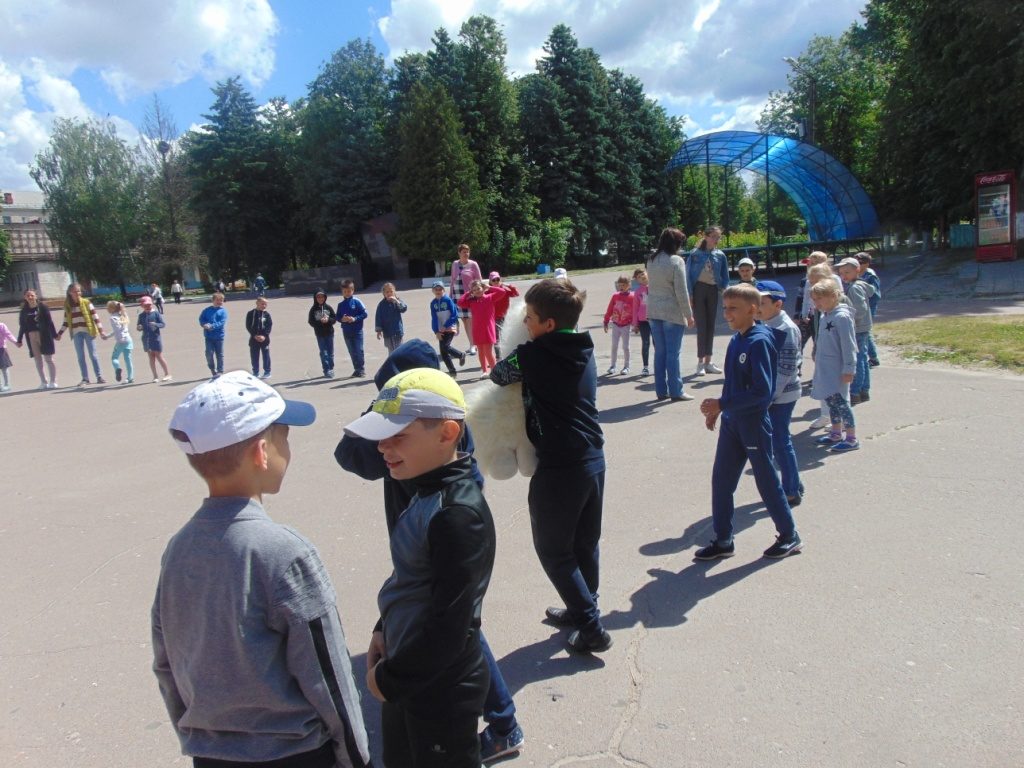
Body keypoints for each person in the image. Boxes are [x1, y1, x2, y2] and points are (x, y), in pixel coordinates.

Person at [155, 371, 371, 768]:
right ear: (261, 452)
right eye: (283, 436)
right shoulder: (284, 552)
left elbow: (167, 661)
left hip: (211, 753)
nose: (288, 447)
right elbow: (328, 675)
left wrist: (198, 737)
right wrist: (357, 759)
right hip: (296, 754)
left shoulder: (178, 549)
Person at [334, 340, 524, 765]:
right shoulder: (425, 488)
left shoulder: (456, 515)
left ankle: (503, 723)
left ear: (447, 434)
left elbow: (452, 624)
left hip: (440, 688)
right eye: (380, 436)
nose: (382, 448)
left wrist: (391, 679)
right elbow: (410, 578)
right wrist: (385, 627)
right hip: (411, 670)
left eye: (396, 436)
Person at [489, 278, 612, 654]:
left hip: (559, 467)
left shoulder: (533, 355)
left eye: (529, 317)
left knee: (554, 551)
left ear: (549, 325)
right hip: (593, 458)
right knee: (584, 543)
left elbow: (498, 374)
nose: (524, 323)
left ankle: (591, 627)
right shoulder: (585, 348)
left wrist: (520, 350)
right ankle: (584, 607)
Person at [696, 284, 802, 560]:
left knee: (766, 481)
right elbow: (733, 382)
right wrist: (719, 410)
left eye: (733, 309)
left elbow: (762, 392)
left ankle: (789, 536)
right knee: (721, 482)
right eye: (725, 308)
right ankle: (723, 540)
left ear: (752, 310)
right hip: (732, 423)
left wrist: (722, 404)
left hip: (753, 424)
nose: (727, 314)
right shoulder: (736, 339)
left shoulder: (759, 341)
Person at [756, 281, 804, 507]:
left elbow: (786, 369)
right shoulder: (764, 324)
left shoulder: (786, 329)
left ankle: (791, 491)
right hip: (770, 395)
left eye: (762, 303)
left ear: (778, 304)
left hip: (782, 395)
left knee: (780, 442)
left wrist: (768, 397)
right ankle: (795, 483)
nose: (757, 307)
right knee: (777, 441)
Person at [645, 227, 695, 401]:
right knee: (673, 353)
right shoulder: (676, 261)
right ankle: (676, 390)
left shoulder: (651, 260)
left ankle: (661, 391)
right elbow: (681, 291)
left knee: (660, 352)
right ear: (676, 244)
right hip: (671, 312)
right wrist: (689, 315)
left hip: (653, 310)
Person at [809, 279, 859, 452]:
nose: (816, 303)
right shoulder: (826, 315)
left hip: (838, 369)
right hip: (826, 368)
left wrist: (849, 368)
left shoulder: (842, 317)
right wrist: (816, 351)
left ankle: (851, 438)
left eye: (819, 299)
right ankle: (835, 433)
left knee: (841, 403)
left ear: (832, 296)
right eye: (814, 299)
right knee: (831, 401)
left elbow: (849, 345)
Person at [686, 226, 730, 377]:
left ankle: (708, 362)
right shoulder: (695, 254)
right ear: (706, 237)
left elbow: (725, 276)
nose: (716, 239)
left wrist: (725, 291)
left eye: (718, 237)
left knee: (711, 325)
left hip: (713, 290)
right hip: (699, 289)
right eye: (713, 236)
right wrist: (690, 295)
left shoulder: (720, 255)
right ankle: (700, 363)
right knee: (702, 326)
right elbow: (687, 275)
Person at [836, 257, 876, 405]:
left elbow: (860, 309)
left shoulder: (855, 288)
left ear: (857, 270)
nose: (844, 276)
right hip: (862, 326)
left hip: (858, 327)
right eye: (841, 273)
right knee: (862, 359)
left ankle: (855, 391)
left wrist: (850, 318)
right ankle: (863, 390)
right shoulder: (855, 286)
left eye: (847, 272)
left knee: (858, 360)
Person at [57, 283, 107, 386]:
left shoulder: (86, 302)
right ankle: (85, 378)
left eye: (79, 291)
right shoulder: (67, 305)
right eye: (75, 291)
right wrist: (59, 333)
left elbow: (96, 317)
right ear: (70, 293)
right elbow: (66, 322)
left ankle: (99, 376)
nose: (77, 293)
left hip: (88, 331)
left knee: (93, 355)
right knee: (80, 357)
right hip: (76, 333)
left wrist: (101, 331)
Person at [15, 288, 59, 389]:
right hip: (31, 335)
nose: (30, 297)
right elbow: (22, 326)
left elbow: (49, 322)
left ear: (36, 296)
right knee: (38, 360)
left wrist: (55, 335)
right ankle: (43, 382)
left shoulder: (43, 307)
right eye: (28, 296)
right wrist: (19, 339)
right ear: (25, 297)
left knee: (49, 358)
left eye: (32, 295)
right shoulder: (24, 311)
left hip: (44, 335)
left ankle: (53, 381)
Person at [457, 279, 502, 374]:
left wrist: (489, 287)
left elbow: (502, 292)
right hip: (477, 329)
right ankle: (484, 371)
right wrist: (468, 293)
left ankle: (495, 372)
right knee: (481, 352)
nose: (477, 291)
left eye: (478, 288)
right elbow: (460, 303)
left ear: (483, 288)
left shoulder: (490, 297)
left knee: (488, 352)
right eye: (474, 290)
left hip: (488, 329)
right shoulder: (472, 301)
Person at [450, 244, 483, 354]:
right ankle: (472, 344)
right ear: (459, 253)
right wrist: (450, 296)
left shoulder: (473, 264)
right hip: (457, 296)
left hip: (469, 297)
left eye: (467, 252)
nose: (466, 254)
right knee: (464, 320)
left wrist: (479, 294)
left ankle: (474, 345)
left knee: (470, 320)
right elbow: (452, 280)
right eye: (464, 252)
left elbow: (479, 280)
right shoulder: (455, 264)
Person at [430, 280, 467, 376]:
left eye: (440, 289)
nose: (438, 291)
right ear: (433, 291)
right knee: (443, 353)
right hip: (440, 329)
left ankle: (460, 355)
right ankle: (452, 372)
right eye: (436, 289)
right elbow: (434, 318)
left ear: (444, 290)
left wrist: (446, 325)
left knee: (446, 347)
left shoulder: (448, 300)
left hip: (450, 327)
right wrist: (436, 331)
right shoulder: (433, 303)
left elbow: (454, 315)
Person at [602, 275, 634, 375]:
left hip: (626, 325)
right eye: (619, 285)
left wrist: (635, 324)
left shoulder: (632, 297)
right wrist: (606, 321)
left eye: (623, 285)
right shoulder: (615, 296)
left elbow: (635, 311)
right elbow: (610, 309)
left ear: (629, 285)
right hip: (616, 325)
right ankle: (613, 366)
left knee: (626, 347)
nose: (621, 287)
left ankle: (626, 366)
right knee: (614, 346)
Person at [137, 296, 172, 382]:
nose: (147, 306)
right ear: (142, 306)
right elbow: (139, 327)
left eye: (149, 305)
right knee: (151, 358)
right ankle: (155, 376)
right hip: (146, 339)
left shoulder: (156, 313)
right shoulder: (141, 315)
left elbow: (163, 324)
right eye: (145, 305)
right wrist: (139, 327)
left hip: (156, 338)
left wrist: (156, 324)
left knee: (159, 356)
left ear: (151, 304)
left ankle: (167, 374)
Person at [337, 279, 367, 377]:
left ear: (353, 290)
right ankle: (356, 369)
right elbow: (338, 317)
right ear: (342, 292)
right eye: (345, 291)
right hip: (346, 332)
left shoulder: (357, 301)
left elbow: (365, 314)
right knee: (352, 351)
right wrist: (342, 319)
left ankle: (361, 369)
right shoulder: (340, 305)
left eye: (349, 291)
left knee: (359, 350)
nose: (347, 293)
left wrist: (354, 319)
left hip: (357, 331)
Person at [856, 252, 882, 367]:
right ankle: (872, 357)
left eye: (860, 262)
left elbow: (876, 294)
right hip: (859, 307)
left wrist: (866, 306)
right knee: (864, 332)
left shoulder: (870, 276)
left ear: (867, 263)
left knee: (865, 331)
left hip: (868, 307)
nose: (858, 264)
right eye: (856, 262)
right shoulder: (855, 273)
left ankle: (873, 357)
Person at [487, 272, 519, 360]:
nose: (496, 281)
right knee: (497, 337)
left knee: (504, 336)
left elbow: (516, 294)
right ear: (490, 281)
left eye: (497, 279)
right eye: (493, 280)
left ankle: (503, 355)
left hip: (504, 317)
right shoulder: (488, 292)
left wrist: (510, 286)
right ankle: (499, 357)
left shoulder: (504, 290)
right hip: (493, 318)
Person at [308, 288, 337, 378]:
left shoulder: (328, 307)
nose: (320, 299)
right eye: (318, 297)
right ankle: (326, 369)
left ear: (325, 297)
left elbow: (334, 319)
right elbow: (311, 321)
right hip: (320, 334)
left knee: (330, 352)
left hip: (329, 333)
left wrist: (328, 320)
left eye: (322, 297)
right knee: (324, 353)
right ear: (315, 298)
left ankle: (331, 368)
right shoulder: (313, 309)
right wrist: (320, 321)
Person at [199, 292, 228, 378]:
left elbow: (221, 322)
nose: (219, 302)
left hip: (219, 337)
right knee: (209, 353)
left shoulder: (223, 311)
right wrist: (204, 324)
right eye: (217, 300)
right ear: (213, 300)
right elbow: (201, 319)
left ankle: (220, 370)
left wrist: (212, 326)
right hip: (208, 337)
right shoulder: (206, 310)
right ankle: (212, 368)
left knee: (219, 354)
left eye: (221, 300)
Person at [106, 300, 135, 384]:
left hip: (121, 341)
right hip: (128, 339)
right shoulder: (123, 315)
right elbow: (122, 328)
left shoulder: (113, 318)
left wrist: (107, 336)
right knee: (128, 359)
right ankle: (130, 377)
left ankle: (117, 368)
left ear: (111, 309)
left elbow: (117, 330)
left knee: (114, 358)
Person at [374, 282, 407, 354]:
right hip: (387, 332)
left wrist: (397, 301)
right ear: (383, 293)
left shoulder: (397, 301)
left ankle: (400, 361)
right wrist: (379, 330)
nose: (389, 293)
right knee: (391, 351)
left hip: (397, 331)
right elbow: (378, 317)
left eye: (391, 291)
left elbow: (403, 309)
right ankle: (392, 360)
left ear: (394, 292)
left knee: (399, 350)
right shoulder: (381, 305)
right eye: (387, 292)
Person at [245, 296, 272, 379]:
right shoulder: (250, 313)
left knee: (266, 356)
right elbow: (248, 325)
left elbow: (269, 326)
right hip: (254, 339)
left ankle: (267, 372)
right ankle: (255, 372)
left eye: (265, 304)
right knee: (254, 356)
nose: (264, 306)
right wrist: (254, 335)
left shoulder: (267, 314)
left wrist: (264, 336)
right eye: (262, 304)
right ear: (257, 303)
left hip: (264, 339)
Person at [631, 268, 651, 376]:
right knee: (645, 343)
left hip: (655, 319)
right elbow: (635, 309)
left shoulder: (655, 287)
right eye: (638, 277)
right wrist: (635, 324)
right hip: (643, 321)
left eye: (642, 274)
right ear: (637, 280)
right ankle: (645, 367)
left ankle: (660, 365)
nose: (641, 277)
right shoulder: (637, 292)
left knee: (658, 343)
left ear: (647, 273)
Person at [0, 320, 15, 392]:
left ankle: (7, 384)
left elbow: (9, 334)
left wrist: (15, 342)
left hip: (2, 349)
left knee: (4, 368)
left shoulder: (1, 326)